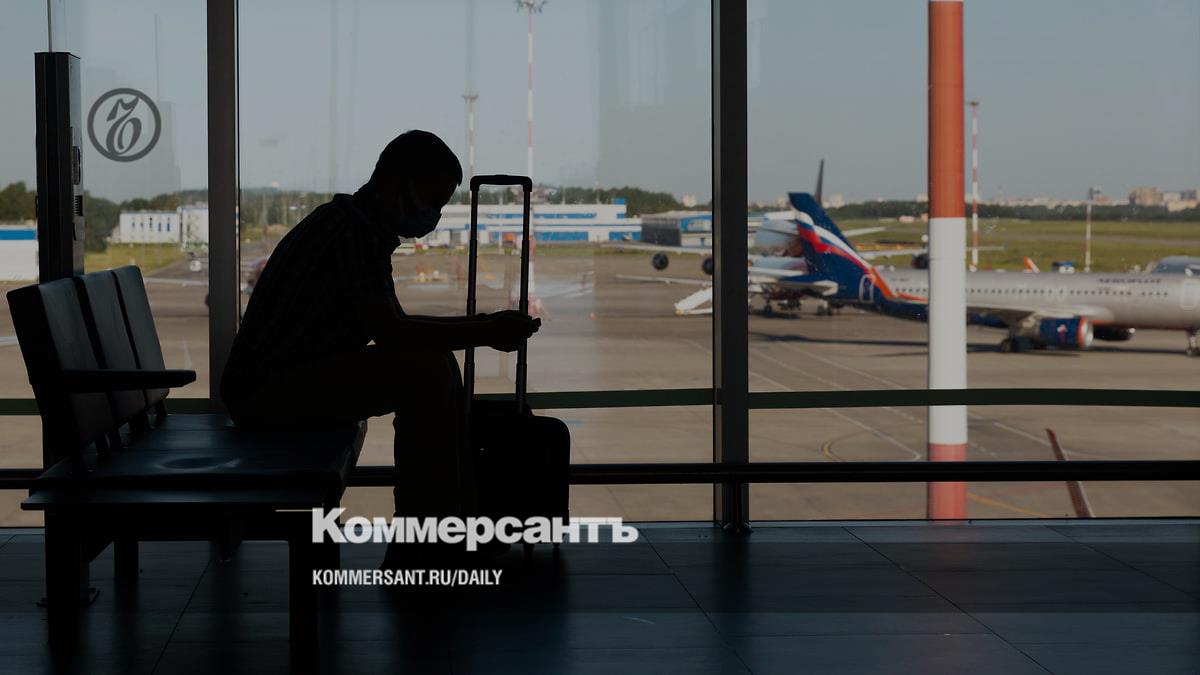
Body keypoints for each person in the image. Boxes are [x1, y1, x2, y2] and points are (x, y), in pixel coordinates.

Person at [220, 130, 540, 562]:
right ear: (399, 183)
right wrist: (484, 332)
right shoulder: (352, 234)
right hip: (265, 394)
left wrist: (480, 327)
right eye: (432, 201)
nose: (432, 215)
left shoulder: (351, 224)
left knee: (433, 363)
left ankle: (449, 527)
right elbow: (394, 332)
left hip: (279, 381)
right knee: (426, 372)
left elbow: (396, 326)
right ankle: (426, 547)